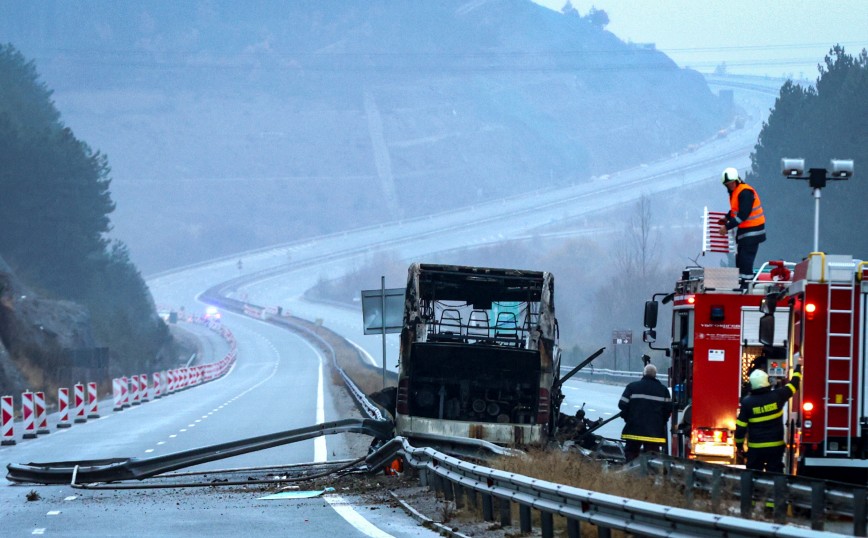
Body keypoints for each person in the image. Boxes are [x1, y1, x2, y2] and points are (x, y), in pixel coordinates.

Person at [734, 363, 802, 473]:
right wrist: (798, 369)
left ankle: (755, 490)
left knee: (754, 476)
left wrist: (739, 446)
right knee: (775, 475)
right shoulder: (778, 396)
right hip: (775, 448)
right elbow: (794, 385)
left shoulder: (747, 403)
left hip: (756, 449)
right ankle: (777, 489)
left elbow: (740, 428)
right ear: (767, 382)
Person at [718, 167, 766, 285]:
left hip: (753, 232)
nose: (729, 186)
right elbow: (736, 210)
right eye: (727, 185)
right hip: (745, 232)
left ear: (737, 180)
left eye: (731, 183)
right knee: (740, 260)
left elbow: (743, 214)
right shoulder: (736, 192)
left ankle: (747, 284)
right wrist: (727, 217)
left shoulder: (745, 192)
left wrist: (727, 227)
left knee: (746, 260)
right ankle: (742, 282)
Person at [618, 363, 672, 462]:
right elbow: (668, 410)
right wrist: (661, 423)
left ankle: (631, 474)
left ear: (643, 373)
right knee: (652, 459)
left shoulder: (632, 387)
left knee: (631, 455)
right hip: (654, 433)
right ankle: (649, 476)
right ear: (655, 375)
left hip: (634, 430)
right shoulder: (663, 390)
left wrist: (628, 417)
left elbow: (622, 405)